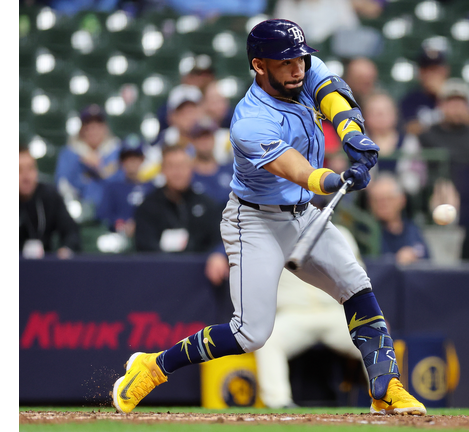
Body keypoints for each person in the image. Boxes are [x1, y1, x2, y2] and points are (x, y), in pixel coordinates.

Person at [111, 19, 426, 417]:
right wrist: (334, 177)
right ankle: (154, 366)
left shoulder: (302, 73)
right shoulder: (248, 121)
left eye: (300, 58)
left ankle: (386, 388)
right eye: (285, 61)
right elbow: (294, 168)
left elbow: (333, 95)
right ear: (259, 65)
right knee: (250, 333)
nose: (297, 68)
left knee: (357, 287)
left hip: (302, 215)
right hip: (255, 221)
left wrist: (352, 136)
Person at [254, 224, 365, 409]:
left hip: (334, 311)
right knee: (268, 340)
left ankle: (389, 397)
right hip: (294, 313)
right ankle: (278, 403)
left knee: (374, 333)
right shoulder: (272, 234)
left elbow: (357, 277)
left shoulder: (340, 232)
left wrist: (369, 316)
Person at [133, 144, 230, 285]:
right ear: (162, 170)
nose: (178, 172)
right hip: (158, 279)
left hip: (201, 279)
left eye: (183, 166)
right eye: (172, 166)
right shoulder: (148, 207)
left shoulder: (207, 204)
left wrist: (218, 255)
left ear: (191, 169)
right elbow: (145, 248)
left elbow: (219, 238)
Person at [54, 104, 120, 213]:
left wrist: (99, 168)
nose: (93, 129)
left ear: (105, 127)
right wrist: (82, 164)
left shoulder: (117, 151)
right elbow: (62, 185)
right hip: (78, 210)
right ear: (82, 129)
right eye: (88, 124)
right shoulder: (70, 153)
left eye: (98, 124)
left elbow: (122, 183)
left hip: (112, 212)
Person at [418, 78, 469, 171]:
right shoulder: (427, 137)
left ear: (467, 107)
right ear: (440, 105)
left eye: (460, 103)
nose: (456, 109)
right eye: (451, 103)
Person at [20, 146, 81, 259]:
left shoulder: (49, 195)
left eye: (31, 168)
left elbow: (70, 231)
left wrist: (67, 248)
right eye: (19, 170)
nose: (26, 177)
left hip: (45, 265)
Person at [362, 91, 426, 197]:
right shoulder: (357, 143)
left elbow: (418, 178)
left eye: (385, 111)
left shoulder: (409, 142)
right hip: (365, 203)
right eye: (374, 112)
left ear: (395, 114)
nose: (380, 116)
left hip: (404, 203)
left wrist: (392, 189)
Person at [96, 134, 155, 237]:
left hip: (148, 236)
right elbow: (103, 214)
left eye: (135, 157)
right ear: (121, 161)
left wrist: (140, 225)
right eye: (127, 158)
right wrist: (120, 224)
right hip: (118, 238)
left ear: (142, 159)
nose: (131, 161)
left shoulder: (152, 187)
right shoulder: (112, 187)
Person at [367, 173, 430, 266]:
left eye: (388, 199)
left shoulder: (412, 229)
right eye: (376, 200)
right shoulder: (366, 232)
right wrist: (395, 260)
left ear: (402, 200)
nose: (382, 205)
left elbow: (428, 262)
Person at [398, 46, 449, 136]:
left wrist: (442, 96)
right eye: (427, 70)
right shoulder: (410, 100)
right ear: (420, 73)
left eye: (435, 70)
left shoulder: (457, 96)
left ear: (445, 71)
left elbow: (467, 124)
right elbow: (409, 129)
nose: (431, 75)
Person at [189, 118, 234, 205]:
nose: (205, 142)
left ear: (214, 139)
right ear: (193, 142)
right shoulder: (188, 176)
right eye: (200, 138)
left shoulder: (230, 170)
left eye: (208, 137)